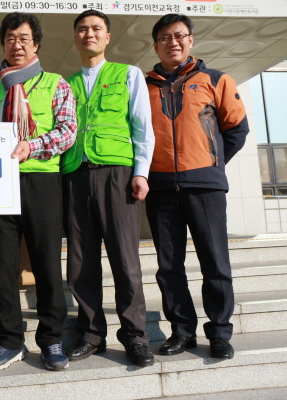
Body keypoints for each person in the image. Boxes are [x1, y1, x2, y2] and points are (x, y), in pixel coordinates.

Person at [0, 12, 77, 372]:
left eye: (23, 39)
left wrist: (31, 147)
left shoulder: (55, 83)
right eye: (9, 38)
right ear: (3, 44)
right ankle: (8, 341)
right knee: (1, 268)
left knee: (47, 265)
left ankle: (51, 340)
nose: (16, 45)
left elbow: (68, 132)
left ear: (35, 44)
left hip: (41, 182)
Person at [145, 14, 248, 359]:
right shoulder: (143, 85)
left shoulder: (215, 79)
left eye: (179, 36)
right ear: (156, 44)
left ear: (191, 40)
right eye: (164, 37)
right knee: (169, 266)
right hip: (160, 188)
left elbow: (236, 130)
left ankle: (219, 332)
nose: (172, 42)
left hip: (205, 186)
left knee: (215, 262)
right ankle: (182, 332)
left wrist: (209, 163)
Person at [61, 10, 156, 367]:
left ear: (107, 37)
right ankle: (91, 335)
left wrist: (141, 172)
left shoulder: (127, 74)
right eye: (82, 29)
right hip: (75, 175)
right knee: (81, 263)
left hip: (117, 173)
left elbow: (142, 126)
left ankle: (134, 336)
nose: (89, 34)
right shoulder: (65, 84)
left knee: (125, 259)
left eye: (96, 29)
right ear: (75, 38)